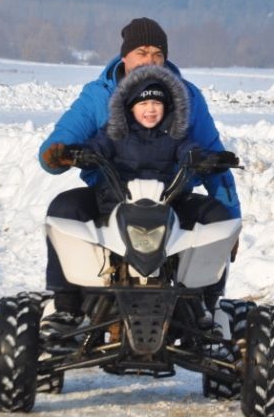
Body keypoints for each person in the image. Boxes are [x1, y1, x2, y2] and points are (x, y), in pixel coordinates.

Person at [38, 17, 240, 331]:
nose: (150, 61)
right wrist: (59, 154)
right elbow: (60, 142)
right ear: (125, 58)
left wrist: (231, 218)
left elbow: (210, 155)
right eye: (142, 53)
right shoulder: (98, 96)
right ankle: (67, 305)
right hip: (110, 198)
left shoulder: (187, 98)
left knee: (217, 216)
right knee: (65, 210)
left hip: (170, 197)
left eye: (158, 54)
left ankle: (204, 306)